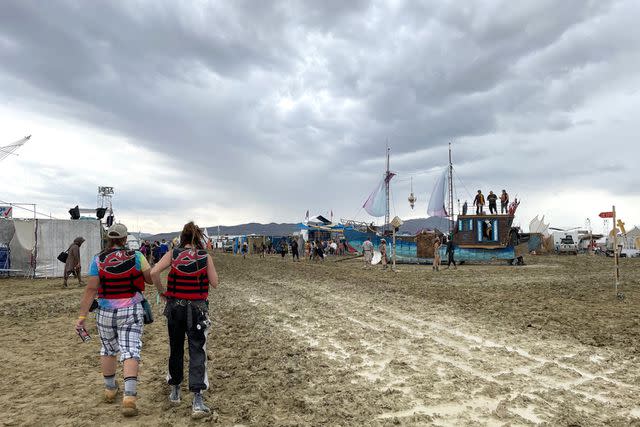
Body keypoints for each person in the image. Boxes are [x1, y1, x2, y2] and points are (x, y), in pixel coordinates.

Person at [75, 223, 157, 416]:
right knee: (130, 350)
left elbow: (91, 289)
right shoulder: (137, 256)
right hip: (131, 309)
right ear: (125, 239)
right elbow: (150, 279)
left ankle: (110, 389)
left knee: (108, 349)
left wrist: (81, 317)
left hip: (105, 310)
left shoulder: (98, 260)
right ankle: (129, 397)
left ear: (108, 239)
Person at [151, 222, 218, 419]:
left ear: (182, 237)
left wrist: (162, 292)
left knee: (176, 347)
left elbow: (154, 272)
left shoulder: (173, 254)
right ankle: (197, 400)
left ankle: (175, 391)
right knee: (198, 350)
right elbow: (214, 283)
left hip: (175, 307)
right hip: (197, 309)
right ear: (197, 238)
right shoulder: (205, 256)